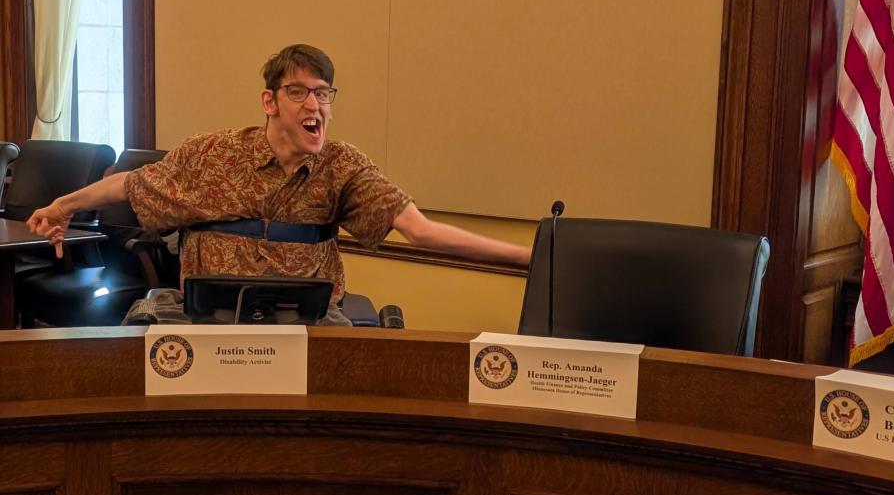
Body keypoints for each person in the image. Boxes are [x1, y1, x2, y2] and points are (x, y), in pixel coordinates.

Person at [27, 43, 532, 325]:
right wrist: (63, 205)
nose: (314, 106)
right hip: (214, 322)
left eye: (323, 94)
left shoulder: (344, 167)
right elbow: (131, 185)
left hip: (307, 323)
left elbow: (420, 232)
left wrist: (529, 258)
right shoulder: (212, 154)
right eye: (298, 93)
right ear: (269, 102)